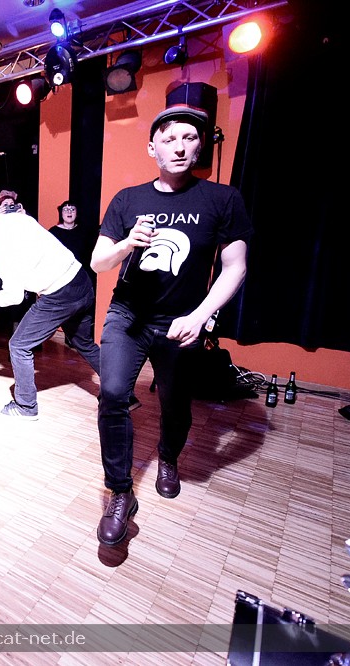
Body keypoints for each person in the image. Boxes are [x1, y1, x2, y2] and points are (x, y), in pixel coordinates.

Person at [90, 105, 252, 546]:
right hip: (128, 315)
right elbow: (99, 262)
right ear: (152, 148)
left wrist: (201, 316)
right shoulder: (128, 199)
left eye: (188, 138)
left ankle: (168, 457)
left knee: (175, 404)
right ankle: (120, 492)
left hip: (181, 322)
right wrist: (126, 243)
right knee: (113, 394)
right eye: (168, 139)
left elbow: (235, 267)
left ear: (200, 147)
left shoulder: (222, 199)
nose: (179, 147)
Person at [0, 199, 102, 416]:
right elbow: (17, 244)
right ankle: (122, 394)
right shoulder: (15, 218)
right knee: (84, 343)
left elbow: (14, 296)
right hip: (81, 282)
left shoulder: (0, 249)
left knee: (19, 346)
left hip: (59, 295)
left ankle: (26, 407)